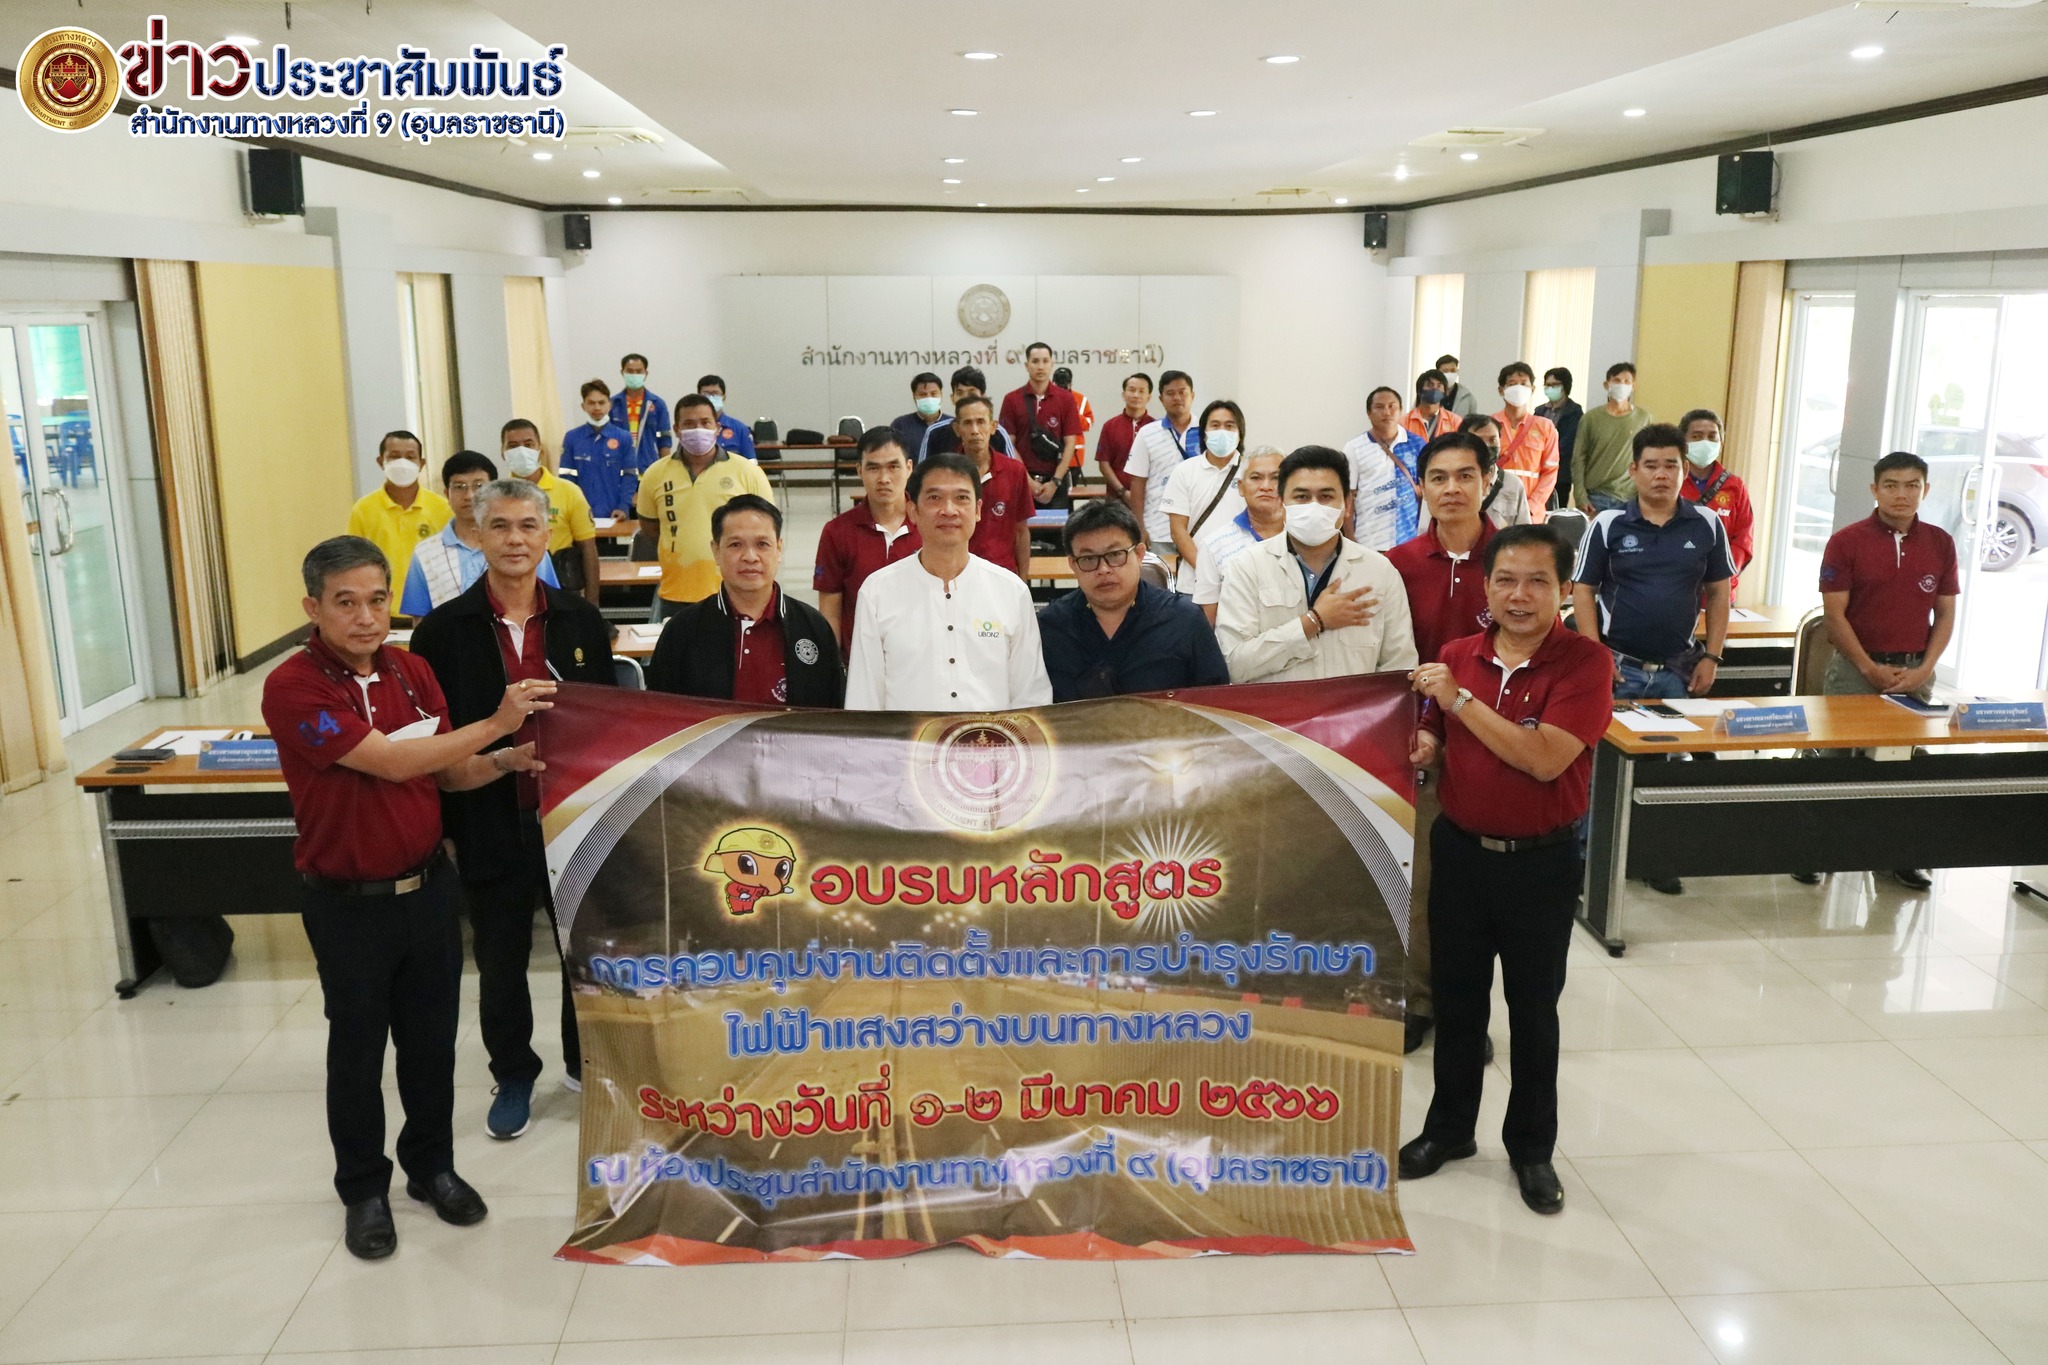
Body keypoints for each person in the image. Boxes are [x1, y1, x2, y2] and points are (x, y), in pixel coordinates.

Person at [263, 535, 552, 1259]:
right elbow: (391, 763)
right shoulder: (294, 686)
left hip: (427, 890)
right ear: (313, 608)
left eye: (377, 599)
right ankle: (364, 1188)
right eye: (346, 602)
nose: (366, 617)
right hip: (348, 902)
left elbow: (445, 773)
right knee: (357, 1052)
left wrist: (503, 759)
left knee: (430, 1045)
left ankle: (432, 1167)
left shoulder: (413, 670)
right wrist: (497, 723)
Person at [1399, 524, 1615, 1217]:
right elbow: (1437, 728)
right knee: (1458, 1002)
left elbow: (1544, 758)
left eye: (1537, 582)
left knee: (1533, 1011)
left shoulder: (1586, 663)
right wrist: (1428, 740)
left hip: (1541, 864)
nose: (1519, 596)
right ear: (1486, 586)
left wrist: (1461, 702)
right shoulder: (1458, 653)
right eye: (1506, 581)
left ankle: (1531, 1148)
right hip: (1461, 853)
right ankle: (1449, 1129)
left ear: (1563, 589)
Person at [409, 479, 615, 1139]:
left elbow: (608, 721)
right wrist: (446, 823)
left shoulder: (582, 620)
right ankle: (514, 1071)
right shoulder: (442, 631)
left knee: (584, 951)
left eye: (528, 526)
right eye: (500, 526)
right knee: (501, 958)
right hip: (487, 816)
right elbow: (433, 740)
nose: (515, 539)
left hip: (572, 819)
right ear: (477, 535)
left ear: (548, 535)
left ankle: (585, 1063)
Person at [1572, 423, 1733, 895]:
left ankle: (1649, 857)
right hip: (1617, 668)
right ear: (1634, 470)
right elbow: (1583, 591)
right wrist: (1595, 654)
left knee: (1659, 771)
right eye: (1652, 465)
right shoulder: (1608, 524)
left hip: (1675, 671)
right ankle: (1583, 861)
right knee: (1599, 769)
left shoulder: (1706, 523)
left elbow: (1718, 593)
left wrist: (1714, 655)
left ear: (1684, 470)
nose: (1662, 475)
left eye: (1671, 466)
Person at [1386, 430, 1502, 1055]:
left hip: (1496, 742)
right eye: (1438, 477)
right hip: (1421, 744)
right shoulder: (1396, 564)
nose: (1451, 488)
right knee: (1422, 883)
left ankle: (1468, 1011)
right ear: (1421, 487)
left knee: (1480, 893)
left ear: (1488, 480)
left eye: (1465, 475)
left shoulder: (1512, 559)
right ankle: (1418, 999)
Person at [1797, 451, 1959, 893]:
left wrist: (1925, 668)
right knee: (1835, 762)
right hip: (1856, 668)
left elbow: (1945, 615)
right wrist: (1868, 667)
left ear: (1925, 490)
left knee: (1901, 766)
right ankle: (1814, 851)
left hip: (1914, 673)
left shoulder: (1941, 543)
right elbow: (1834, 618)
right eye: (1891, 485)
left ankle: (1896, 857)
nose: (1901, 494)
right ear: (1874, 490)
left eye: (1912, 485)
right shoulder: (1847, 541)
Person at [846, 452, 1052, 710]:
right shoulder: (877, 592)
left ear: (978, 510)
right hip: (906, 737)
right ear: (913, 511)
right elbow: (864, 698)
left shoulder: (1011, 591)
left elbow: (1031, 697)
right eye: (934, 498)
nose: (949, 510)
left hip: (991, 736)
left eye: (961, 498)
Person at [1214, 445, 1417, 683]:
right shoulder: (1247, 567)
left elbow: (1400, 668)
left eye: (1325, 497)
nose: (1313, 506)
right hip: (1278, 707)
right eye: (1301, 497)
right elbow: (1234, 664)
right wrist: (1312, 622)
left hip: (1354, 708)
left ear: (1347, 504)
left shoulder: (1379, 571)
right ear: (1282, 502)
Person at [649, 494, 844, 705]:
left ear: (779, 549)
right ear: (716, 551)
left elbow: (833, 713)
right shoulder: (681, 631)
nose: (750, 557)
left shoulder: (813, 627)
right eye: (735, 545)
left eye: (762, 544)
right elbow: (660, 712)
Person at [1040, 498, 1228, 700]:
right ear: (1072, 564)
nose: (1103, 569)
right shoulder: (1050, 627)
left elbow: (1217, 702)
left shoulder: (1185, 620)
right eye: (1088, 559)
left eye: (1115, 555)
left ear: (1139, 554)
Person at [635, 393, 778, 615]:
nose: (698, 429)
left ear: (717, 428)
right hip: (676, 592)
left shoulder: (748, 472)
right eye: (689, 424)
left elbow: (768, 530)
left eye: (705, 422)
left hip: (735, 594)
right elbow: (650, 528)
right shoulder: (655, 474)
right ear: (677, 430)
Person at [400, 452, 561, 617]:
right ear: (447, 494)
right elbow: (420, 619)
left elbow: (551, 604)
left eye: (479, 486)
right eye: (459, 487)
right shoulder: (425, 553)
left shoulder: (527, 550)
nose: (470, 495)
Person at [814, 428, 921, 646]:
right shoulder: (836, 532)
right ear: (859, 471)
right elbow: (830, 613)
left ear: (909, 468)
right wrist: (833, 662)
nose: (884, 479)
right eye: (873, 468)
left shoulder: (929, 526)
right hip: (858, 658)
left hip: (920, 656)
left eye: (893, 467)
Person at [346, 430, 450, 612]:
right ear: (381, 462)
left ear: (421, 463)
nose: (403, 463)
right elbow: (353, 562)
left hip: (433, 610)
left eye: (410, 457)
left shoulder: (443, 508)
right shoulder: (363, 509)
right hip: (380, 610)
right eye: (394, 457)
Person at [501, 419, 600, 605]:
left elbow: (588, 548)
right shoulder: (496, 496)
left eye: (528, 445)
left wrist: (592, 603)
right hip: (511, 592)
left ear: (540, 451)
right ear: (503, 453)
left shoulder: (569, 492)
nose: (521, 451)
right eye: (513, 446)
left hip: (562, 589)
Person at [1162, 400, 1249, 594]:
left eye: (1229, 426)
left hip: (1244, 581)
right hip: (1194, 582)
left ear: (1240, 433)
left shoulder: (1251, 471)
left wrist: (1235, 574)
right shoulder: (1184, 471)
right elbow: (1178, 530)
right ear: (1204, 432)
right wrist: (1207, 571)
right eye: (1215, 425)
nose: (1222, 431)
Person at [1193, 446, 1286, 624]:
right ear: (1241, 487)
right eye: (1256, 478)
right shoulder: (1214, 545)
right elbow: (1208, 621)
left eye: (1276, 478)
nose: (1266, 486)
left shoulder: (1303, 539)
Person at [954, 394, 1033, 577]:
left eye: (981, 422)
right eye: (968, 423)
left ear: (993, 427)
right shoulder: (945, 473)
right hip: (958, 573)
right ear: (957, 429)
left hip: (1003, 574)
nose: (975, 430)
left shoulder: (1015, 471)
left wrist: (1023, 582)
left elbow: (1021, 532)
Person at [1677, 408, 1755, 591]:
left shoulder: (1735, 486)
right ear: (1682, 442)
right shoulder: (1671, 482)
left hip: (1720, 589)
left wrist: (1723, 575)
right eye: (1697, 437)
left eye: (1712, 437)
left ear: (1721, 442)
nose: (1705, 442)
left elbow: (1744, 539)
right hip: (1676, 587)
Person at [1126, 370, 1201, 555]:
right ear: (1161, 399)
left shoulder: (1206, 432)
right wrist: (1140, 527)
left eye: (1182, 392)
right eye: (1170, 393)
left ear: (1192, 395)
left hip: (1199, 528)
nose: (1177, 398)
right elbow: (1137, 483)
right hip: (1158, 530)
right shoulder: (1147, 433)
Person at [999, 342, 1083, 506]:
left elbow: (1070, 443)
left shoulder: (1066, 399)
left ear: (1052, 364)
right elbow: (1008, 444)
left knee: (1059, 524)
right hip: (1021, 482)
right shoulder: (1011, 399)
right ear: (1026, 365)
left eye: (1045, 361)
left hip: (1056, 483)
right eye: (1035, 361)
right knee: (1022, 524)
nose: (1040, 367)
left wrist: (1055, 482)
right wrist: (1028, 482)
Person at [1347, 385, 1428, 550]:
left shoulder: (1417, 445)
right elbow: (1348, 498)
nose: (1387, 412)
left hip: (1409, 541)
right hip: (1368, 543)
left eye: (1392, 406)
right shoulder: (1354, 448)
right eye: (1379, 407)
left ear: (1401, 410)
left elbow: (1428, 490)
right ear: (1369, 413)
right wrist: (1350, 540)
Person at [1570, 362, 1652, 513]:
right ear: (1607, 384)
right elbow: (1578, 459)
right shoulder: (1590, 418)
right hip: (1596, 496)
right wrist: (1580, 496)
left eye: (1626, 381)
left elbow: (1651, 457)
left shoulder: (1644, 418)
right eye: (1617, 380)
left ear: (1633, 386)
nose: (1621, 385)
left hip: (1630, 497)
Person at [1430, 415, 1530, 531]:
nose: (1487, 446)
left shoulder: (1513, 484)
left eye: (1492, 440)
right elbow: (1426, 529)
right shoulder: (1444, 482)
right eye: (1479, 440)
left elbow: (1524, 533)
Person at [559, 379, 636, 520]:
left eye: (601, 402)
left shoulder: (624, 437)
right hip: (582, 513)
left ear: (609, 405)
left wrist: (623, 507)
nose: (597, 407)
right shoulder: (572, 438)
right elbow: (566, 479)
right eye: (591, 403)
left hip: (615, 513)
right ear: (583, 406)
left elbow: (629, 476)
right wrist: (573, 508)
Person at [1492, 362, 1560, 519]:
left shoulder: (1545, 427)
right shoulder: (1489, 425)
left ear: (1533, 389)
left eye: (1524, 384)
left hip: (1531, 513)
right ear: (1501, 390)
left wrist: (1532, 506)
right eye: (1512, 384)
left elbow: (1550, 472)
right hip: (1495, 508)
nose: (1518, 388)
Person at [916, 365, 1017, 462]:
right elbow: (923, 471)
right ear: (952, 398)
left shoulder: (998, 433)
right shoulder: (935, 432)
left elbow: (1010, 469)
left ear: (983, 397)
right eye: (959, 393)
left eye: (972, 393)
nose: (965, 398)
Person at [1094, 372, 1155, 507]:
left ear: (1149, 397)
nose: (1136, 395)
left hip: (1149, 500)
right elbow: (1104, 464)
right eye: (1132, 390)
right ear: (1123, 394)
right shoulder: (1110, 426)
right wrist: (1122, 492)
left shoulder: (1156, 428)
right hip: (1116, 500)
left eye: (1141, 391)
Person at [611, 353, 672, 473]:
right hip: (619, 469)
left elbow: (664, 441)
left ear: (646, 373)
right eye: (630, 371)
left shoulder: (657, 404)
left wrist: (665, 471)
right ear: (622, 372)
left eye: (639, 371)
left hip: (648, 469)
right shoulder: (612, 404)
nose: (634, 375)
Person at [1538, 368, 1584, 508]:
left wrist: (1546, 453)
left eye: (1555, 385)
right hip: (1537, 471)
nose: (1550, 388)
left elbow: (1568, 443)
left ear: (1565, 387)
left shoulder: (1574, 412)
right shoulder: (1539, 411)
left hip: (1560, 475)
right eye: (1547, 385)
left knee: (1556, 511)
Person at [696, 374, 757, 460]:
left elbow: (751, 461)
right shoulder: (692, 428)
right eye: (706, 394)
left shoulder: (740, 429)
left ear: (723, 397)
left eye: (715, 393)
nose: (711, 398)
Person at [890, 371, 948, 456]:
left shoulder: (952, 423)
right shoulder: (900, 425)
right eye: (923, 394)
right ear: (914, 397)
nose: (929, 398)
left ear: (941, 395)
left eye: (933, 394)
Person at [1053, 364, 1094, 470]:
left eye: (1064, 386)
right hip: (1050, 456)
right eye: (1058, 386)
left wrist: (1072, 411)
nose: (1061, 390)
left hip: (1074, 458)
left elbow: (1088, 425)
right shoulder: (1046, 399)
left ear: (1070, 384)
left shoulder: (1081, 399)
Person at [1404, 369, 1462, 443]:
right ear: (1419, 390)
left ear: (1444, 392)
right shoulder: (1405, 421)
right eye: (1429, 385)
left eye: (1439, 386)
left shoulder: (1455, 421)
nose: (1435, 388)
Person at [1438, 354, 1479, 419]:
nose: (1449, 374)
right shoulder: (1430, 394)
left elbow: (1474, 421)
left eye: (1452, 370)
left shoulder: (1467, 396)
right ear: (1438, 373)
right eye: (1445, 371)